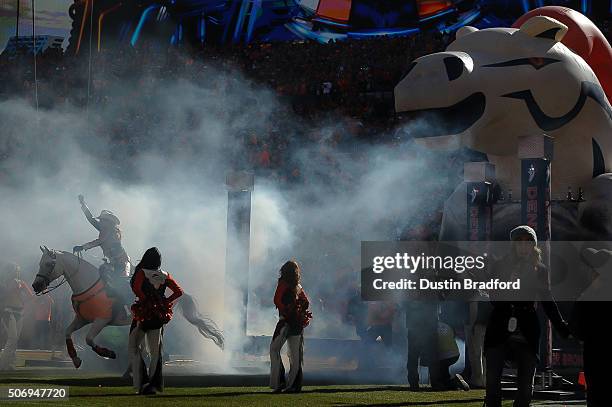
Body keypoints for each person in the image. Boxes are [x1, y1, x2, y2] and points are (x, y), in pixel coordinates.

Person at [484, 225, 572, 407]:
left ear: (533, 245)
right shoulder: (500, 265)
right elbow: (493, 297)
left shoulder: (540, 270)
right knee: (492, 384)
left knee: (525, 386)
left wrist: (563, 328)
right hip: (500, 325)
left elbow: (548, 301)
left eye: (528, 243)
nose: (524, 247)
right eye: (520, 243)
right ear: (513, 246)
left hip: (527, 328)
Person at [128, 247, 183, 395]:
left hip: (143, 314)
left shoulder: (141, 272)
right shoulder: (165, 275)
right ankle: (153, 384)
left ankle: (141, 382)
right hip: (158, 316)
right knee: (155, 351)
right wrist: (165, 302)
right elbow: (179, 292)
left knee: (133, 345)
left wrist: (146, 301)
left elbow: (136, 289)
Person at [270, 260, 312, 393]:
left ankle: (279, 382)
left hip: (285, 322)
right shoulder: (298, 286)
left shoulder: (282, 284)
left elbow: (277, 300)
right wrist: (298, 311)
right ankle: (293, 385)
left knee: (274, 350)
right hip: (297, 323)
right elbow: (306, 302)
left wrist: (288, 311)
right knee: (295, 356)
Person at [73, 194, 130, 277]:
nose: (100, 222)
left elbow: (99, 241)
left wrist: (82, 247)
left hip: (120, 262)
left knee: (118, 281)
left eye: (102, 220)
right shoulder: (106, 228)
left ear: (108, 221)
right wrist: (83, 204)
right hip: (115, 261)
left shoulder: (109, 230)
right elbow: (91, 219)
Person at [0, 263, 33, 370]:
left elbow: (31, 296)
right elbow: (6, 294)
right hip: (8, 311)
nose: (17, 272)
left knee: (15, 339)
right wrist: (16, 287)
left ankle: (10, 363)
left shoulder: (22, 283)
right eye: (15, 270)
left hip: (20, 312)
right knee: (12, 337)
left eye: (18, 270)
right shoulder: (5, 283)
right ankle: (3, 364)